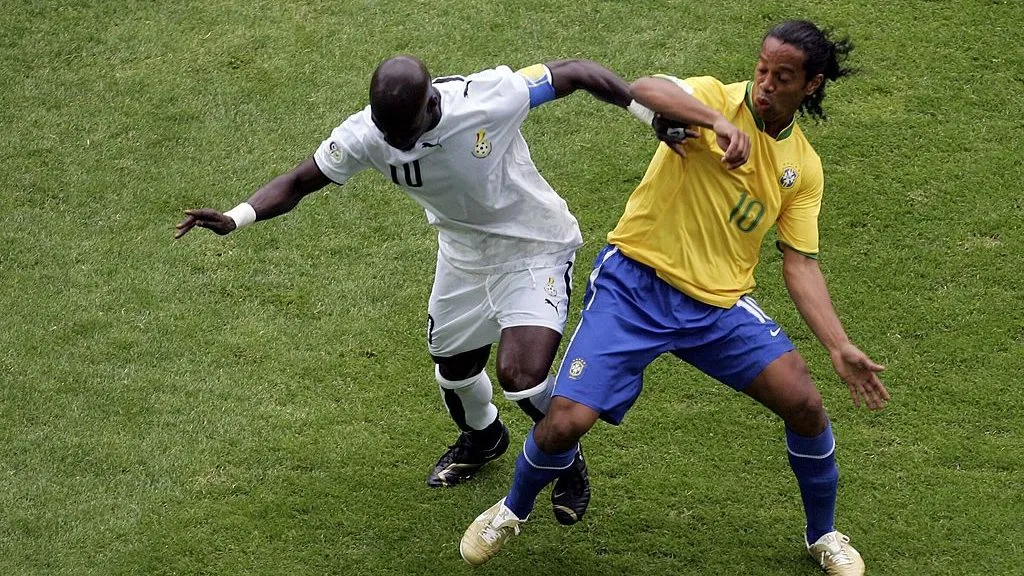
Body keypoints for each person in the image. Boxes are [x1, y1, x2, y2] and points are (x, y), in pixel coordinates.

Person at [175, 55, 686, 526]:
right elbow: (300, 181)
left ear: (431, 105)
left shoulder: (489, 97)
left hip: (534, 247)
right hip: (463, 259)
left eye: (405, 131)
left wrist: (647, 115)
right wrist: (236, 217)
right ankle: (484, 439)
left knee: (521, 376)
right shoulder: (367, 133)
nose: (395, 143)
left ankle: (563, 457)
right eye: (387, 131)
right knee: (455, 368)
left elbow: (574, 72)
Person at [460, 21, 890, 576]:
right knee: (565, 421)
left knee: (805, 402)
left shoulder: (801, 167)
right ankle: (511, 511)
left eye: (781, 77)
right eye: (762, 68)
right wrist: (710, 121)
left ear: (810, 86)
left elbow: (800, 263)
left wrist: (838, 345)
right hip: (634, 288)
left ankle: (824, 535)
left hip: (716, 309)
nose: (764, 84)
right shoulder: (713, 98)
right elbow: (646, 87)